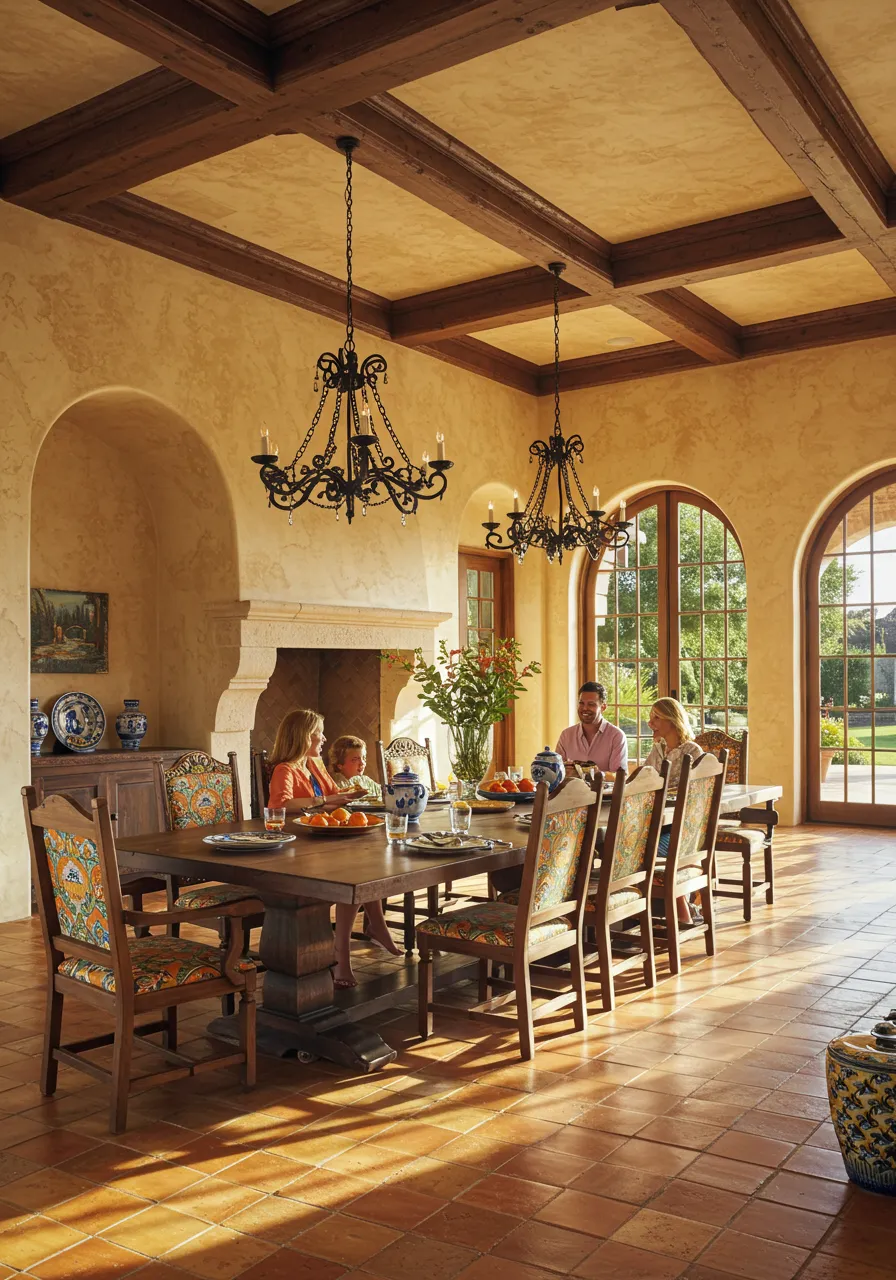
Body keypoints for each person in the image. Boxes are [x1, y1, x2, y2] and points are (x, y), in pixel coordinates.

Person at [268, 709, 400, 987]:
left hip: (324, 838)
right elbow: (279, 806)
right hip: (299, 849)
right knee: (352, 873)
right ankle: (346, 951)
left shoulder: (313, 764)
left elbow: (330, 800)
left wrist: (346, 797)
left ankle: (374, 928)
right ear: (305, 737)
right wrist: (324, 800)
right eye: (319, 732)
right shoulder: (285, 769)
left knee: (364, 865)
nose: (324, 737)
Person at [644, 698, 704, 925]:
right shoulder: (658, 749)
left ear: (673, 719)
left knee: (639, 846)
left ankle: (680, 914)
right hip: (663, 821)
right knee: (631, 842)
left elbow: (697, 798)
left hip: (685, 830)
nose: (651, 723)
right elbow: (647, 780)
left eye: (656, 717)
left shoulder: (692, 751)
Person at [556, 682, 628, 773]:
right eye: (581, 703)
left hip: (604, 787)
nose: (585, 708)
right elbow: (556, 771)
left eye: (591, 704)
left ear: (603, 707)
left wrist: (589, 773)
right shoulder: (566, 735)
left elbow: (619, 775)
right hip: (571, 787)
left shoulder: (616, 736)